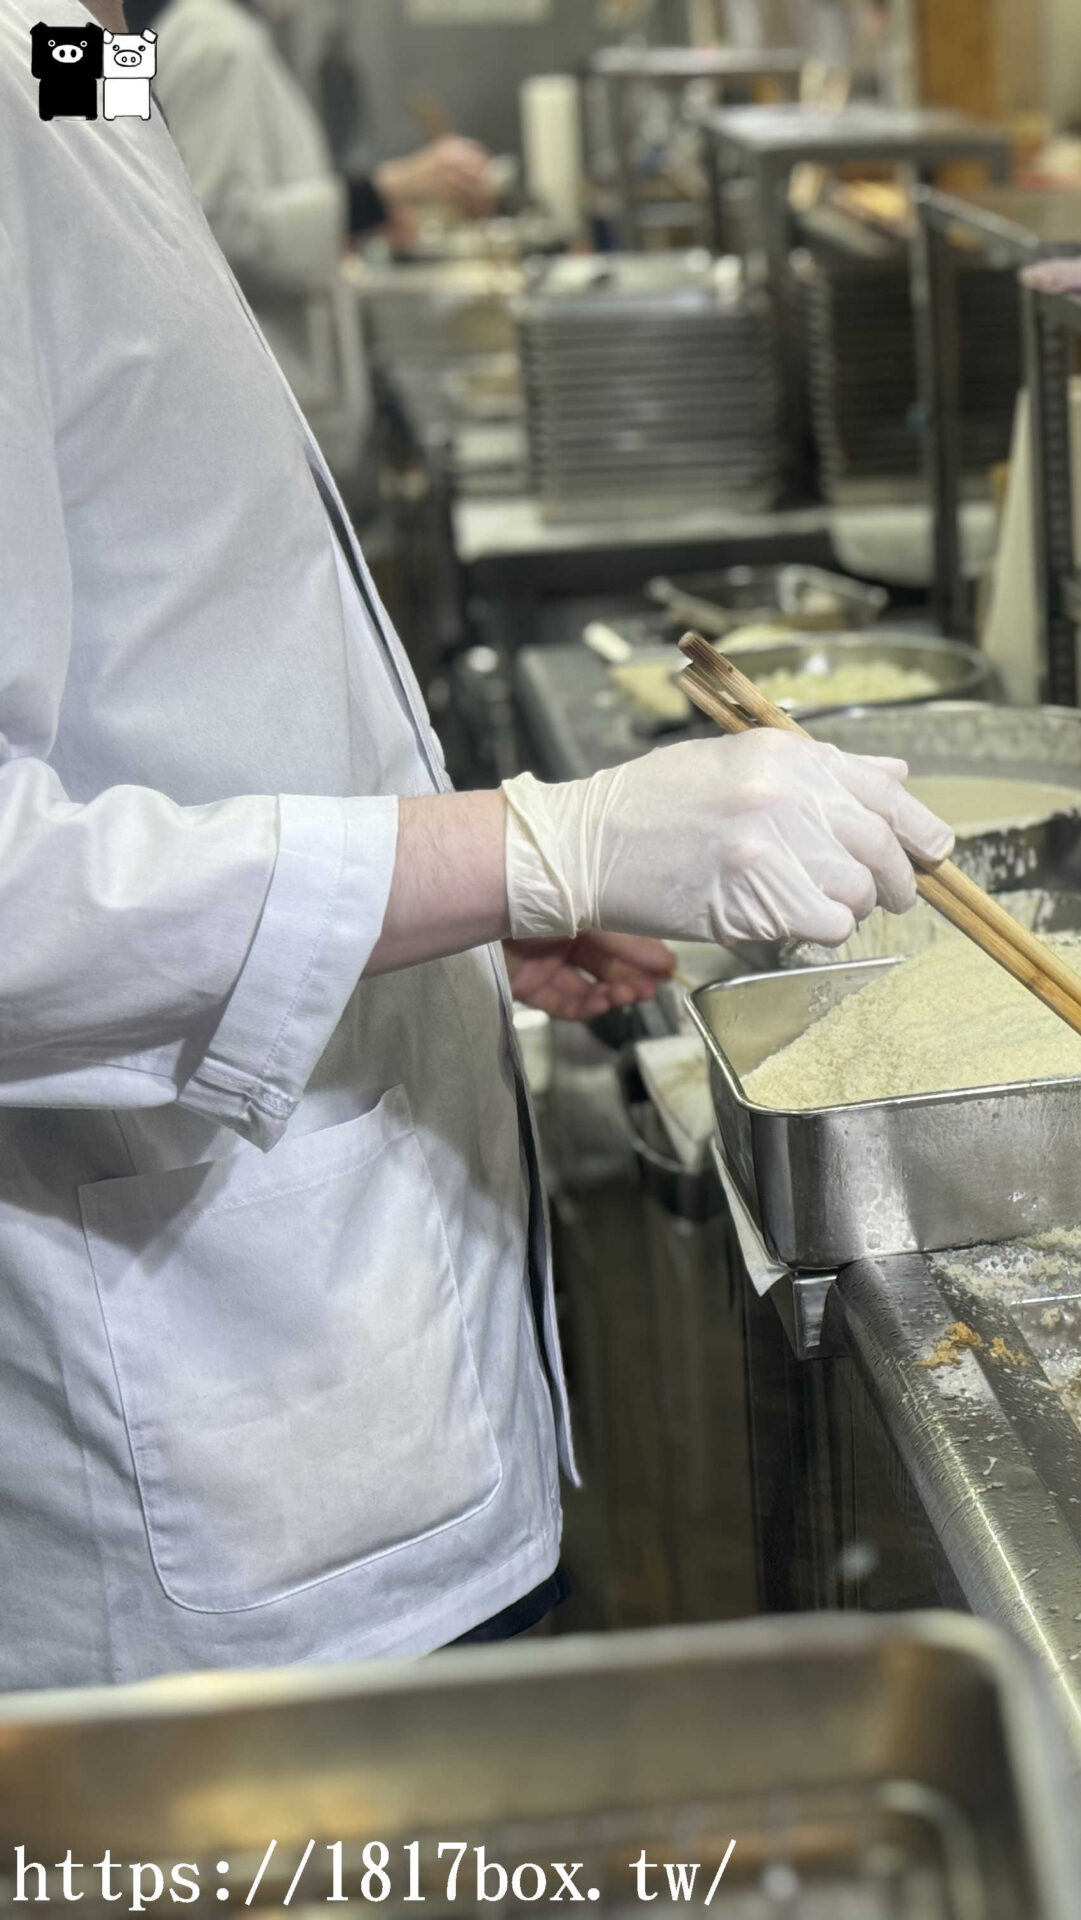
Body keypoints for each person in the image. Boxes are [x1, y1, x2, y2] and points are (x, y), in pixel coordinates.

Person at [1, 0, 953, 1689]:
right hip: (199, 1518)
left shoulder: (68, 54)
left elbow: (162, 647)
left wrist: (436, 895)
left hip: (348, 1391)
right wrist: (534, 846)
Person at [125, 0, 496, 477]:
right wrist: (384, 189)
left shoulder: (228, 33)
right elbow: (221, 231)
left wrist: (366, 210)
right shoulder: (216, 42)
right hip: (267, 397)